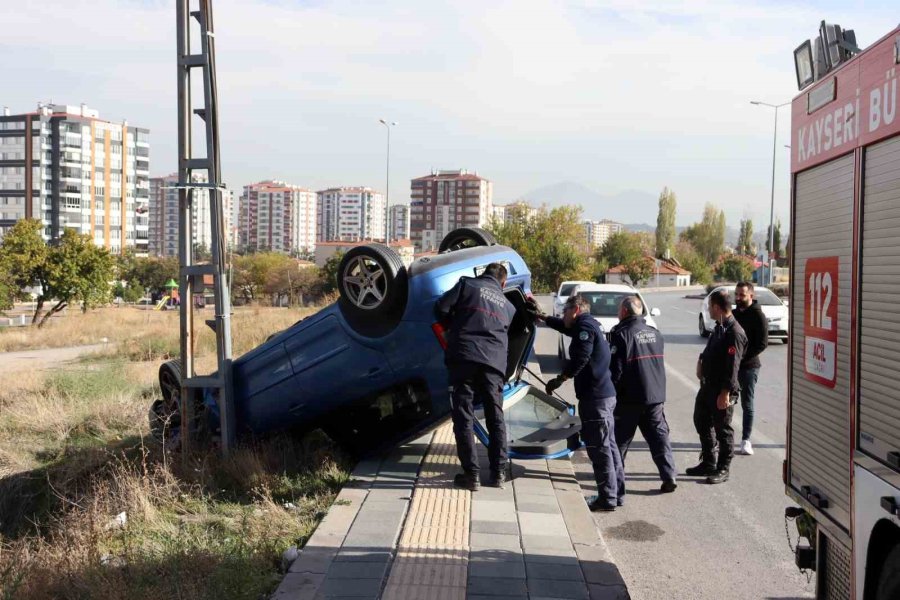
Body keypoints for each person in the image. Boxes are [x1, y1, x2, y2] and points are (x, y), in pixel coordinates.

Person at [435, 262, 517, 491]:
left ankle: (472, 476)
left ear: (482, 274)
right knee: (495, 417)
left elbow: (440, 308)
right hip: (494, 364)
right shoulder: (509, 307)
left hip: (464, 357)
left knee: (464, 417)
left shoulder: (467, 285)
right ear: (503, 283)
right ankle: (498, 474)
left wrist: (455, 327)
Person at [539, 294, 623, 511]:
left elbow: (581, 358)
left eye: (565, 311)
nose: (563, 315)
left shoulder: (585, 327)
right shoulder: (588, 323)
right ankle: (616, 493)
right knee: (610, 447)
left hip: (596, 399)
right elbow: (566, 328)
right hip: (604, 395)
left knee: (600, 449)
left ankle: (608, 498)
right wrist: (544, 318)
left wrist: (560, 379)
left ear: (575, 309)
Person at [608, 296, 677, 500]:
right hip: (655, 397)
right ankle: (669, 475)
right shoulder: (655, 333)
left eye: (619, 310)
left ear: (624, 312)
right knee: (659, 438)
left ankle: (615, 484)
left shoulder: (621, 335)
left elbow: (616, 372)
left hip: (629, 399)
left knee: (620, 443)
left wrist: (611, 394)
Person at [687, 289, 747, 484]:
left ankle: (723, 468)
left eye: (710, 306)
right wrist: (701, 362)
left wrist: (725, 393)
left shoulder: (734, 332)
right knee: (701, 421)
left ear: (716, 307)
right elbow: (709, 351)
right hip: (708, 386)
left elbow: (732, 367)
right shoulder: (719, 327)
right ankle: (708, 462)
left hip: (722, 389)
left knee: (723, 430)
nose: (708, 311)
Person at [732, 281, 768, 456]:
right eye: (737, 294)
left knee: (747, 403)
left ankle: (746, 440)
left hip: (749, 367)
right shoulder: (732, 314)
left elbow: (762, 343)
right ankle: (723, 438)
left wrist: (742, 358)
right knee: (726, 402)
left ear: (751, 296)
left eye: (742, 295)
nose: (738, 298)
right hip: (732, 367)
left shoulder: (758, 316)